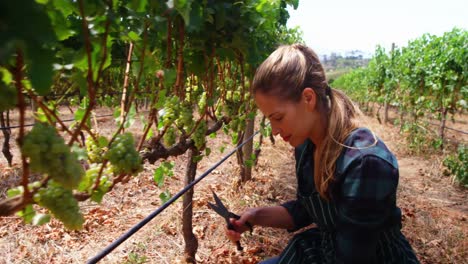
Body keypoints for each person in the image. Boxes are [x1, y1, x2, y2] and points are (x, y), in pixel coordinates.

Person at [225, 44, 420, 264]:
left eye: (278, 118)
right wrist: (255, 216)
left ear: (308, 98)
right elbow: (306, 209)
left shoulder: (364, 164)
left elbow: (352, 257)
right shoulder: (306, 147)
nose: (275, 130)